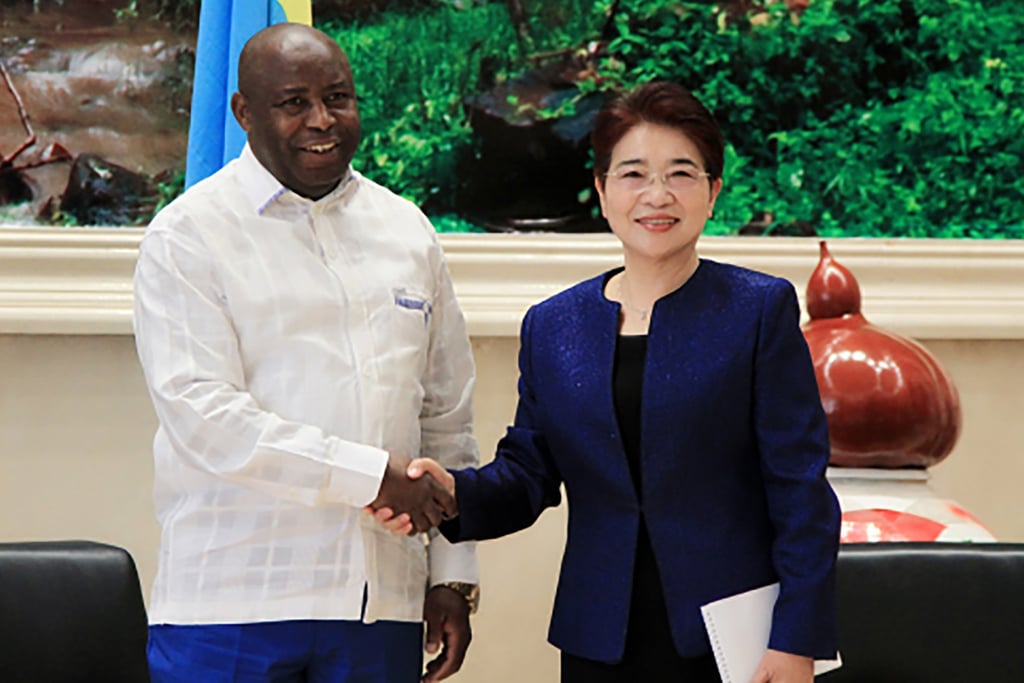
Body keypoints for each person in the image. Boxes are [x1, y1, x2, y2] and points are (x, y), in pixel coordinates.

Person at [376, 81, 841, 683]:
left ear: (713, 192)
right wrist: (454, 494)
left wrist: (797, 638)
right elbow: (528, 474)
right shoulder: (553, 326)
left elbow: (800, 489)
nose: (657, 195)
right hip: (600, 637)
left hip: (735, 638)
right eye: (633, 174)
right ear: (601, 191)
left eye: (681, 174)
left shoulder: (758, 310)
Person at [133, 23, 479, 683]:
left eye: (337, 98)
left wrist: (452, 576)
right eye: (294, 102)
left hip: (382, 605)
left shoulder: (406, 230)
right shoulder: (187, 236)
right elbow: (205, 417)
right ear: (243, 113)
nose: (321, 120)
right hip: (230, 606)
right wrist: (369, 475)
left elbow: (445, 417)